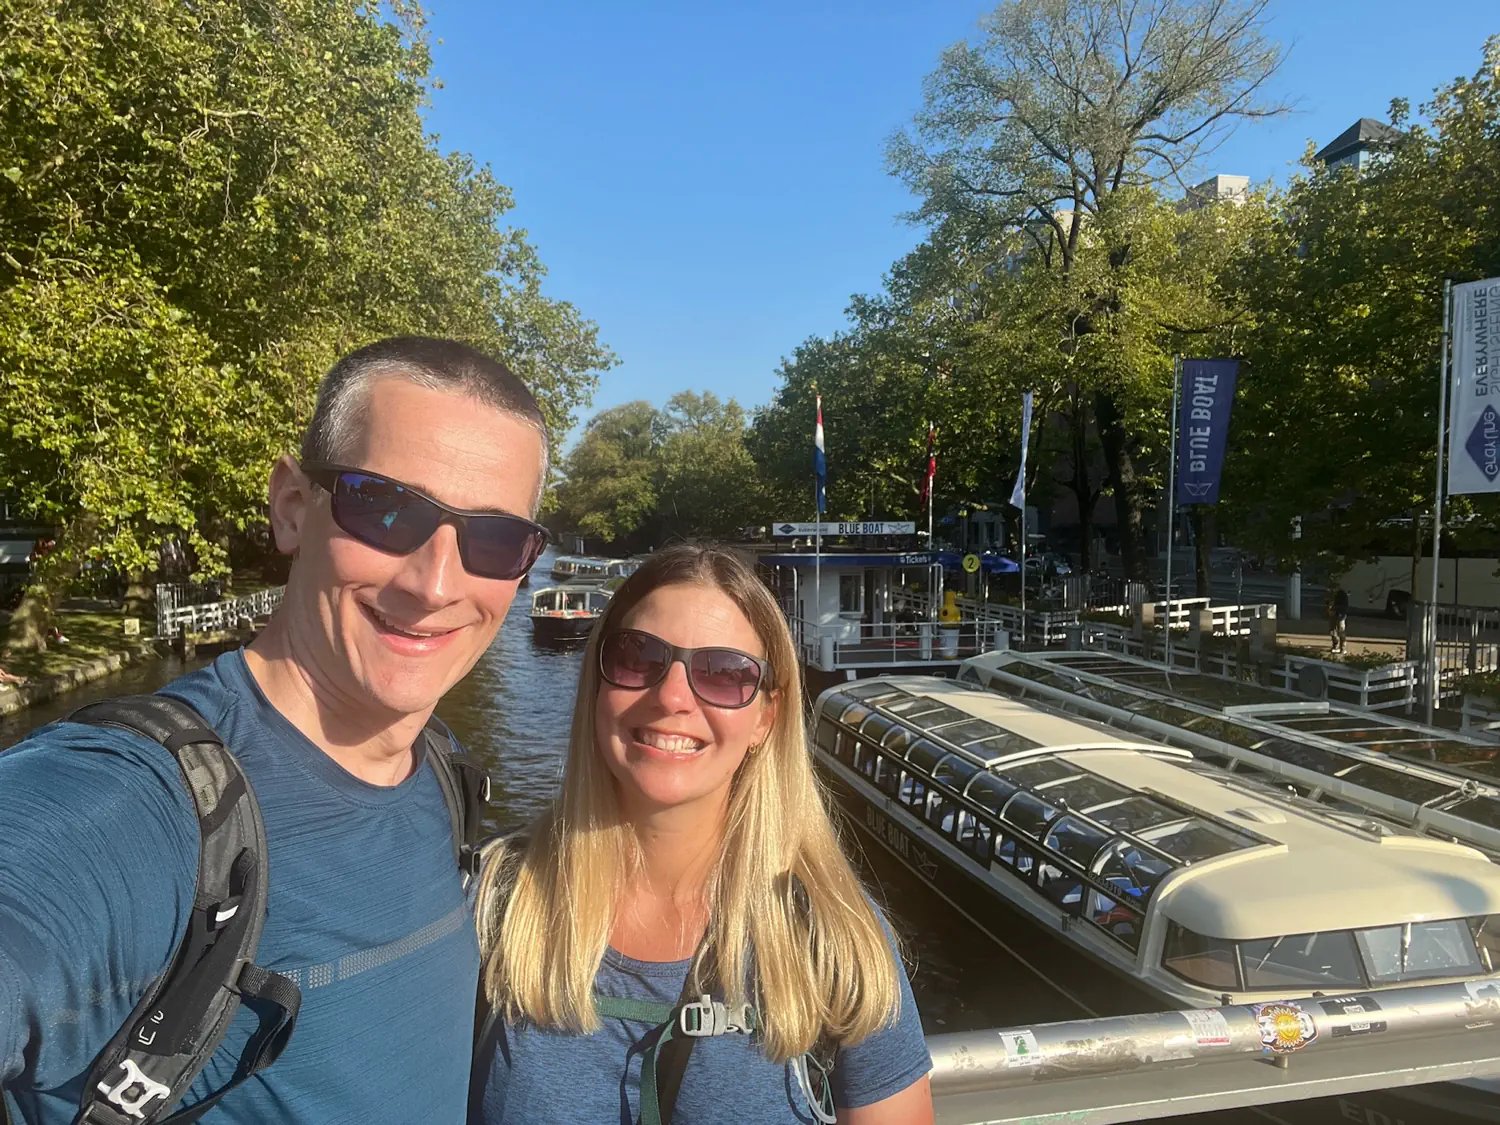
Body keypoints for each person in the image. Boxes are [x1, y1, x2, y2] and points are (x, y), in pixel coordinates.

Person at [0, 337, 551, 1124]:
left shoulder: (441, 770)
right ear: (292, 506)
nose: (435, 584)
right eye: (385, 508)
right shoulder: (143, 806)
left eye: (493, 540)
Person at [473, 545, 934, 1125]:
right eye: (638, 657)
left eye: (724, 673)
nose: (671, 697)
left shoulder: (832, 939)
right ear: (597, 683)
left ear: (766, 716)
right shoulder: (490, 902)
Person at [1330, 584, 1350, 654]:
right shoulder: (1332, 595)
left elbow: (1344, 606)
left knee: (1341, 630)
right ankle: (1335, 645)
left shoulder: (1342, 594)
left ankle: (1342, 648)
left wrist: (1334, 609)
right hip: (1334, 614)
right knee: (1333, 631)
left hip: (1340, 614)